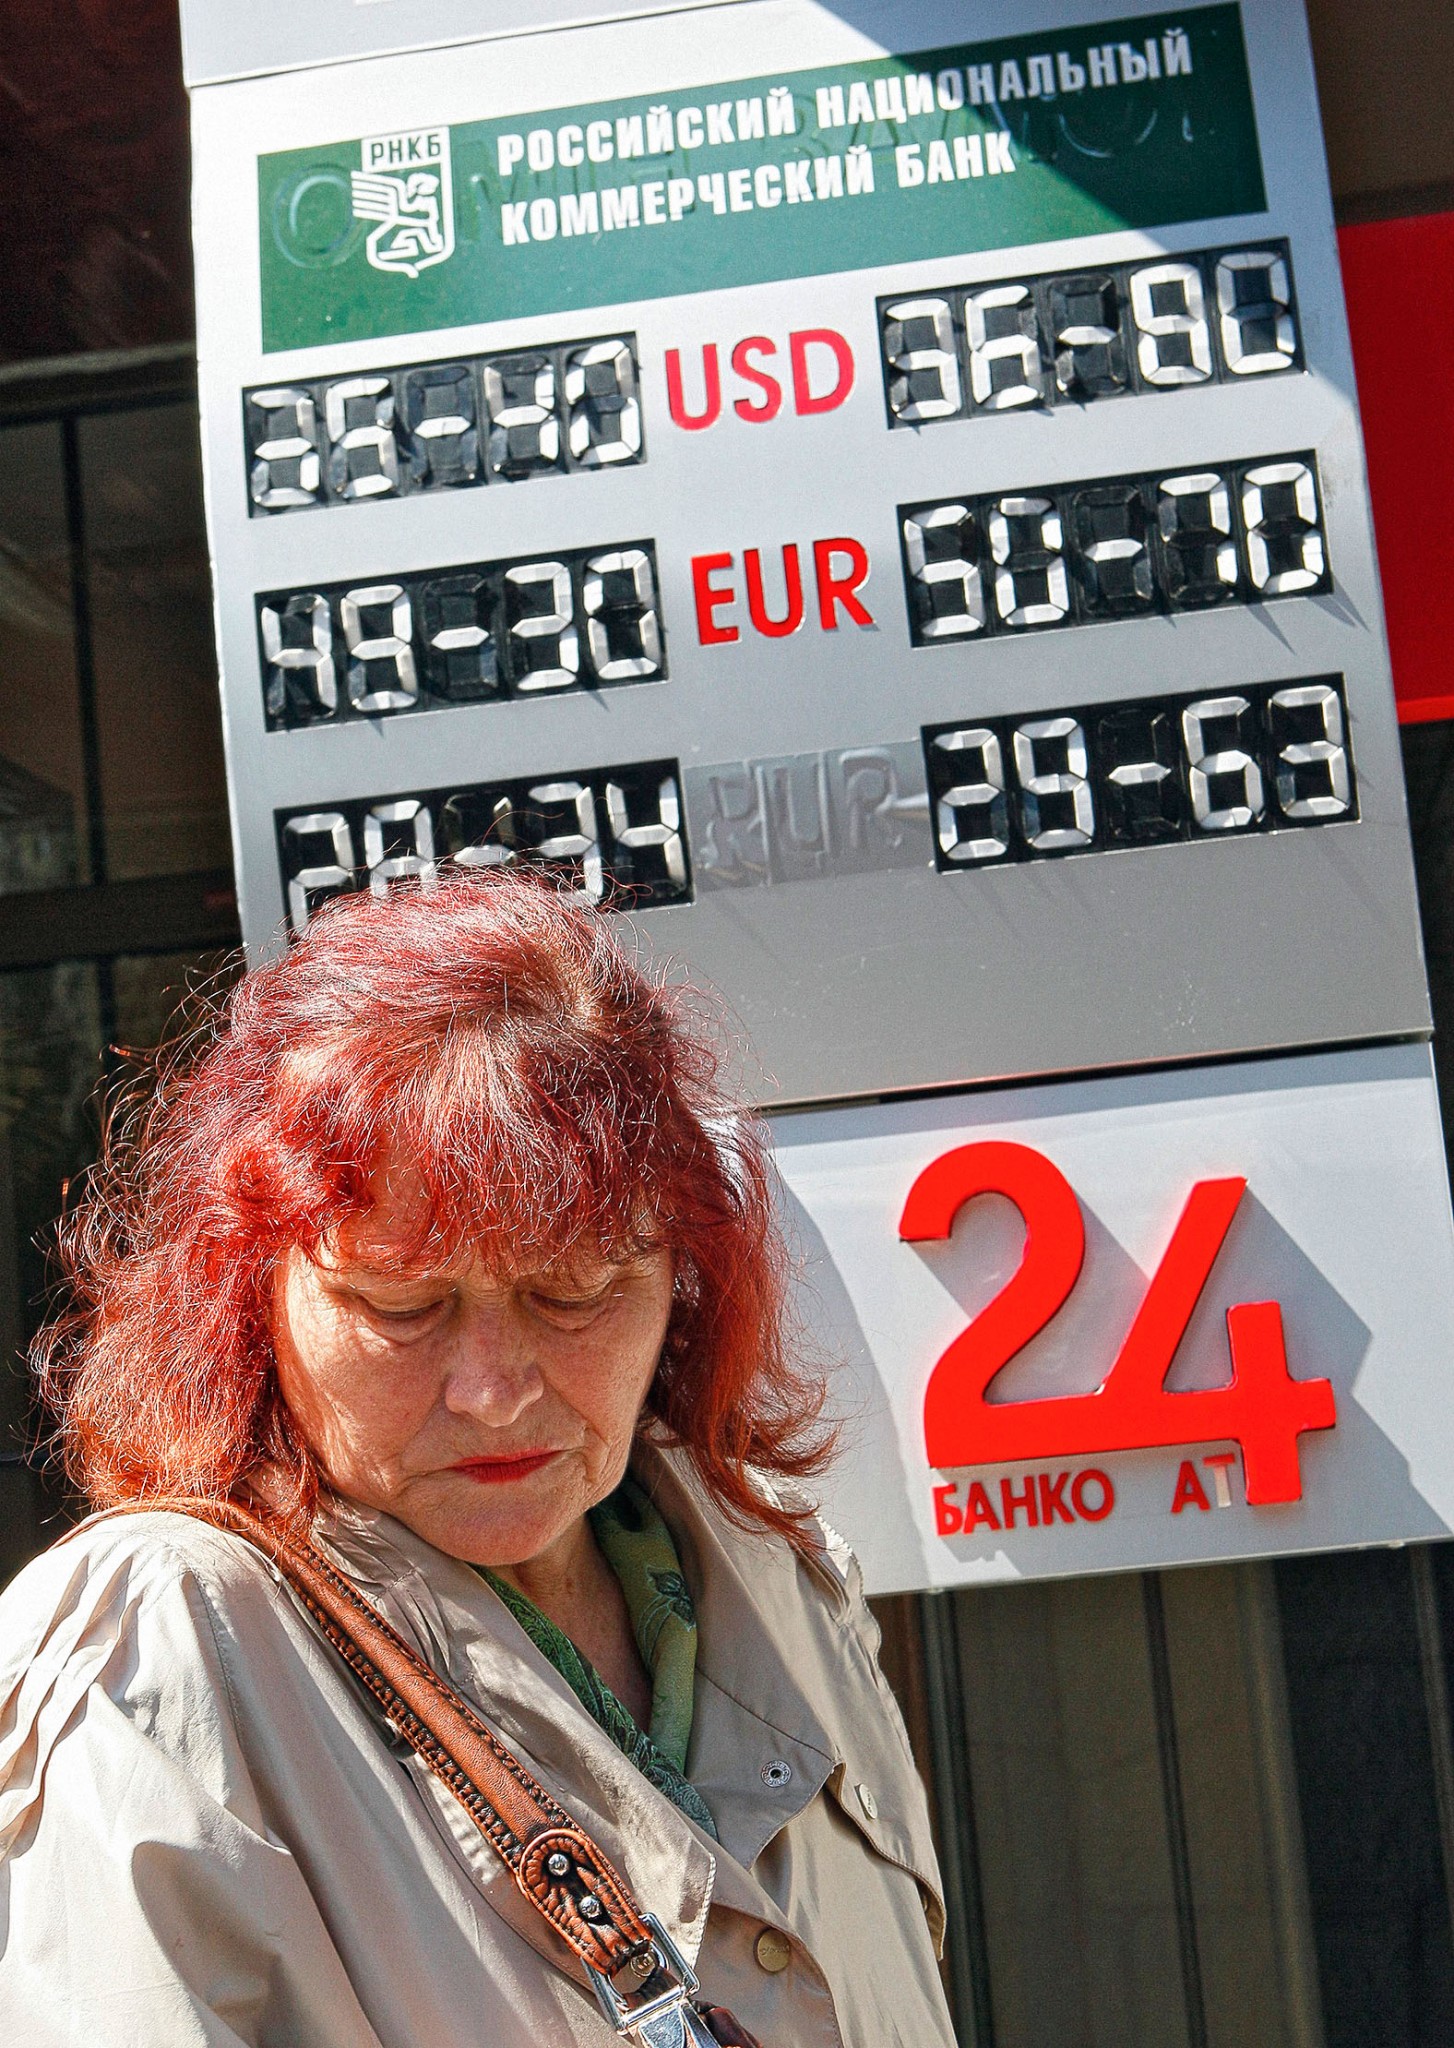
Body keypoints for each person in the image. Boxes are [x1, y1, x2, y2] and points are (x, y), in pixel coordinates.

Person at [0, 873, 953, 2047]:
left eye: (575, 1290)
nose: (494, 1390)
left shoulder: (786, 1578)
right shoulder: (161, 1646)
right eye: (401, 1304)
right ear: (249, 1293)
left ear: (685, 1279)